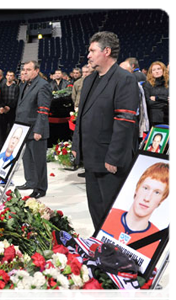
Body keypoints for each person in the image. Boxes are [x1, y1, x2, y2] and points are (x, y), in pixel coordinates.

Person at [72, 31, 139, 231]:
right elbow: (81, 116)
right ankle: (101, 249)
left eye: (92, 51)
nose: (89, 55)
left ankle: (115, 255)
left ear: (106, 51)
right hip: (91, 159)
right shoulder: (90, 80)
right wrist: (77, 146)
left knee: (112, 213)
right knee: (96, 210)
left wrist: (114, 158)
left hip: (110, 162)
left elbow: (125, 122)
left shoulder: (124, 79)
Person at [100, 162, 173, 258]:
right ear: (137, 188)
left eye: (157, 192)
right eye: (146, 188)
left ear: (162, 199)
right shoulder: (109, 214)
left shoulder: (156, 240)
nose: (147, 198)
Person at [16, 61, 52, 199]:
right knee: (27, 159)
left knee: (38, 161)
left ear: (36, 71)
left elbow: (43, 110)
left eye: (29, 69)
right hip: (24, 128)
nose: (25, 72)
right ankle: (30, 181)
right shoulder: (25, 84)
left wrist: (39, 130)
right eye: (24, 69)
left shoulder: (43, 85)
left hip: (35, 129)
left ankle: (40, 188)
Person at [143, 61, 173, 126]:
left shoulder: (167, 83)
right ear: (151, 73)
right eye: (154, 70)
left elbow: (171, 100)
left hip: (169, 117)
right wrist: (165, 101)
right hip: (154, 118)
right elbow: (150, 103)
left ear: (163, 70)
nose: (157, 71)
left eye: (159, 69)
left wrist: (157, 98)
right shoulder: (147, 85)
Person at [0, 71, 20, 148]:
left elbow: (16, 99)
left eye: (11, 75)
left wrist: (9, 107)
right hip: (3, 111)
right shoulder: (1, 86)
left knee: (12, 129)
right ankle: (2, 146)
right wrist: (2, 106)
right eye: (8, 75)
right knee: (2, 130)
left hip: (12, 111)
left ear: (14, 77)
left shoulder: (16, 87)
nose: (10, 77)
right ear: (6, 76)